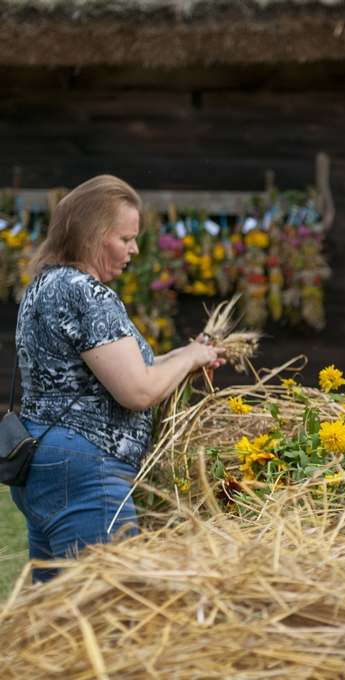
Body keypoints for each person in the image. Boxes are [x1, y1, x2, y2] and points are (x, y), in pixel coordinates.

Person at [12, 175, 225, 581]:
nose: (135, 249)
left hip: (45, 462)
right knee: (110, 601)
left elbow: (104, 373)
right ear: (93, 236)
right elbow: (138, 390)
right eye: (126, 238)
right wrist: (189, 358)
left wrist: (186, 357)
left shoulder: (44, 285)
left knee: (57, 610)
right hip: (85, 469)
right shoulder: (88, 294)